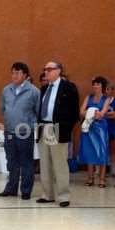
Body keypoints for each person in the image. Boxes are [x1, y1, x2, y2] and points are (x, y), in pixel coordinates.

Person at [37, 61, 79, 207]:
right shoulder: (44, 89)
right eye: (45, 69)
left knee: (60, 164)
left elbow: (74, 113)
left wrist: (66, 129)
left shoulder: (68, 87)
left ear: (59, 71)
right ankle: (47, 194)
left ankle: (64, 196)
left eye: (50, 69)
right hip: (44, 127)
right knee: (45, 163)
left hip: (58, 129)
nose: (46, 72)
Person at [0, 62, 40, 200]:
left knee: (26, 162)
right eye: (13, 72)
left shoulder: (34, 91)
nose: (14, 75)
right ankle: (11, 188)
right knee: (11, 161)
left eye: (18, 72)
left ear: (25, 75)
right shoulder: (6, 90)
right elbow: (3, 109)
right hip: (9, 131)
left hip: (25, 132)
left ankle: (26, 190)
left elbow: (38, 112)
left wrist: (30, 125)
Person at [78, 76, 110, 187]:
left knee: (102, 152)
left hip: (100, 129)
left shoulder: (106, 99)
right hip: (88, 127)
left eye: (98, 84)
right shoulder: (88, 97)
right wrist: (91, 112)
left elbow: (102, 113)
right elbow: (81, 111)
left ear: (103, 86)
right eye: (94, 84)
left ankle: (102, 179)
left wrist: (93, 112)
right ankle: (90, 178)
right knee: (89, 151)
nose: (95, 86)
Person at [105, 83, 115, 179]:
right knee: (102, 149)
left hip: (112, 128)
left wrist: (104, 114)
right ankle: (100, 170)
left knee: (113, 150)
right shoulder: (102, 100)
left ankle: (113, 170)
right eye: (107, 89)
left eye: (111, 89)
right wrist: (110, 114)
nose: (109, 91)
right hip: (102, 128)